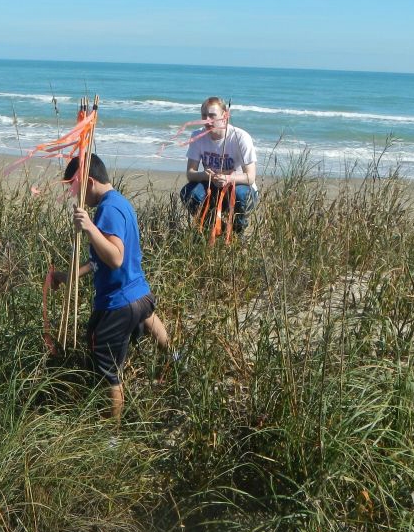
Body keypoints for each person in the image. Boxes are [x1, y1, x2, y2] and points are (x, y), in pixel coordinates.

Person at [49, 153, 168, 424]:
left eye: (74, 189)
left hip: (117, 305)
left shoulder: (107, 210)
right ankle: (174, 358)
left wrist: (90, 227)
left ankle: (112, 434)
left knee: (107, 372)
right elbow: (100, 260)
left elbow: (114, 257)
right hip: (139, 295)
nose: (73, 196)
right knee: (147, 317)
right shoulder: (120, 203)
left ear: (89, 182)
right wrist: (69, 276)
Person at [179, 96, 259, 234]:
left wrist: (228, 179)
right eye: (204, 115)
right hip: (211, 185)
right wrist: (204, 175)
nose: (207, 120)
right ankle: (210, 228)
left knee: (241, 195)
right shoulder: (197, 136)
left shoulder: (240, 137)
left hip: (239, 187)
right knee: (188, 193)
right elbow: (190, 174)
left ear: (224, 115)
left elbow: (250, 177)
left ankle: (237, 232)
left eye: (212, 115)